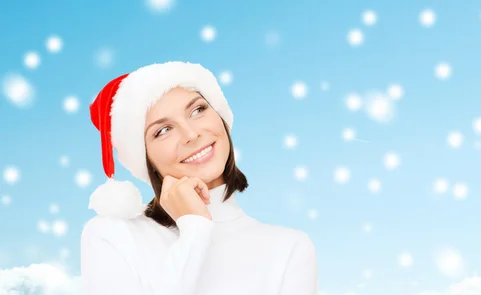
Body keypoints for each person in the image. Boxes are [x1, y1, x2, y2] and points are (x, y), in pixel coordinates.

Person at [80, 61, 319, 295]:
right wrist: (194, 228)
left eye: (198, 110)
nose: (191, 134)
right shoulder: (113, 236)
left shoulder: (289, 248)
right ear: (145, 158)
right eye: (163, 130)